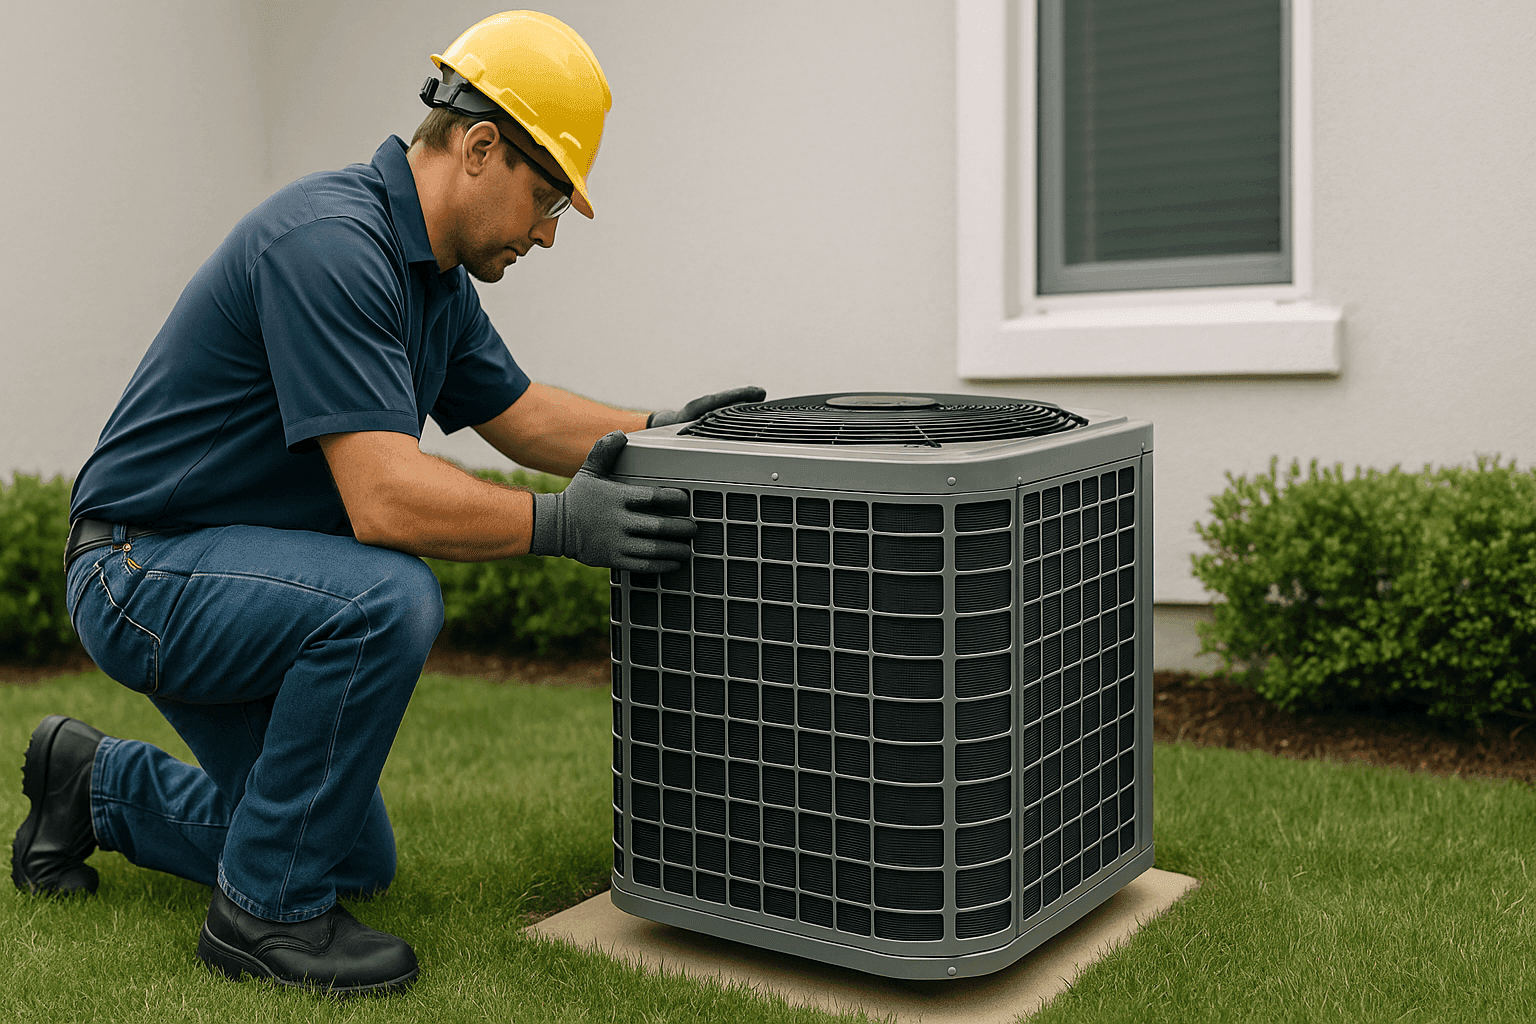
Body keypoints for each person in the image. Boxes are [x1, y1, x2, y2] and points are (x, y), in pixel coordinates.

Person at [9, 10, 761, 995]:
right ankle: (261, 921)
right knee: (386, 597)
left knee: (350, 855)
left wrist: (666, 433)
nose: (546, 232)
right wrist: (559, 525)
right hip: (140, 569)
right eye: (545, 198)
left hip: (229, 573)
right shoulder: (330, 244)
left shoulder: (433, 285)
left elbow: (524, 414)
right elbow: (383, 500)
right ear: (481, 146)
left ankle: (91, 785)